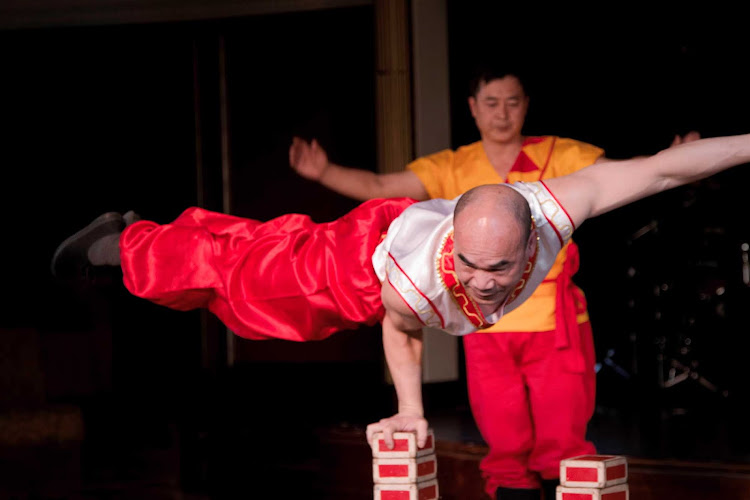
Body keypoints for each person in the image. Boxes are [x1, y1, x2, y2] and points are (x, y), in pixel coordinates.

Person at [53, 133, 749, 500]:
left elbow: (664, 168)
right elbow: (402, 326)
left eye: (497, 271)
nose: (479, 284)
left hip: (390, 241)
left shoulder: (561, 206)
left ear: (533, 240)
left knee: (252, 255)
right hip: (352, 270)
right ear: (455, 248)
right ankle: (122, 244)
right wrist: (413, 411)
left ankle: (138, 231)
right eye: (468, 268)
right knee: (239, 281)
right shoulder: (425, 275)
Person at [289, 63, 700, 499]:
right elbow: (381, 184)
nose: (502, 113)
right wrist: (324, 172)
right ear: (473, 108)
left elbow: (625, 173)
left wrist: (671, 160)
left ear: (525, 106)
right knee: (505, 446)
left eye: (512, 102)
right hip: (484, 322)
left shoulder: (557, 153)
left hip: (552, 324)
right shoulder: (454, 165)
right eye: (491, 103)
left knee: (563, 444)